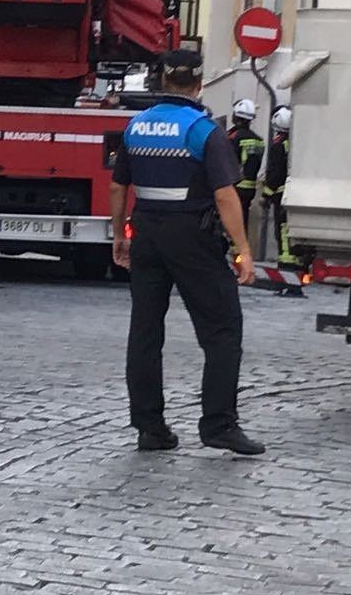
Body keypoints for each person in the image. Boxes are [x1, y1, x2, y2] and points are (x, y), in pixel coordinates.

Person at [109, 49, 264, 457]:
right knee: (222, 329)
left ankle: (149, 427)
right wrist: (243, 249)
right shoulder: (202, 129)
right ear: (197, 83)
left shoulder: (136, 126)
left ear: (163, 81)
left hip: (147, 235)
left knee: (145, 332)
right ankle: (218, 425)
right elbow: (225, 195)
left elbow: (117, 186)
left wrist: (118, 235)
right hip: (193, 238)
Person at [224, 97, 265, 230]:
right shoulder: (258, 139)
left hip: (235, 186)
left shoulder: (234, 137)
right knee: (243, 218)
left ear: (236, 116)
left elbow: (227, 161)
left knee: (230, 220)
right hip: (250, 187)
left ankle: (233, 247)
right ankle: (240, 248)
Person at [263, 106, 296, 267]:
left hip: (281, 195)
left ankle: (286, 263)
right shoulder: (295, 142)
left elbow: (275, 173)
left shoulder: (278, 145)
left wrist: (266, 194)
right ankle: (296, 260)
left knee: (282, 230)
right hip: (294, 192)